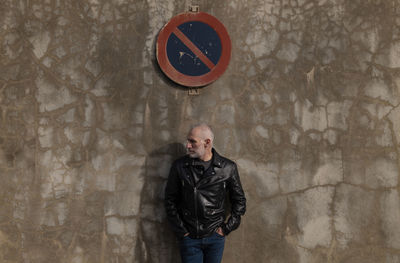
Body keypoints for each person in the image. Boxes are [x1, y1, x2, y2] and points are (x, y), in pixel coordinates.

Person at [164, 124, 246, 263]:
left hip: (215, 237)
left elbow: (239, 201)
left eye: (192, 141)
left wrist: (225, 229)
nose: (188, 146)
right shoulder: (180, 166)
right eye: (188, 141)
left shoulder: (227, 168)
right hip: (189, 238)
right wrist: (182, 232)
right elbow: (170, 199)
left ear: (207, 142)